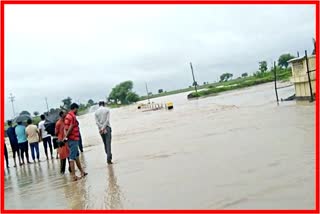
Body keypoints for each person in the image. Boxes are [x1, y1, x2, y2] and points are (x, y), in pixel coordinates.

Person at [64, 103, 87, 181]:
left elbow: (65, 128)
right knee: (72, 157)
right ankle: (73, 176)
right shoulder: (73, 116)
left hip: (71, 139)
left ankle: (82, 172)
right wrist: (65, 137)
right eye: (77, 109)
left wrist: (65, 137)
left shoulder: (67, 116)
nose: (77, 111)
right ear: (75, 108)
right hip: (73, 139)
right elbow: (70, 127)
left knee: (76, 156)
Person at [95, 100, 113, 164]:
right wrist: (104, 127)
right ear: (104, 104)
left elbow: (97, 122)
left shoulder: (96, 112)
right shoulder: (107, 110)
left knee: (105, 143)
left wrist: (101, 128)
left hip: (100, 129)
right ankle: (109, 158)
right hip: (107, 127)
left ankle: (108, 155)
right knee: (108, 143)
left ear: (99, 105)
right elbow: (107, 120)